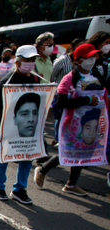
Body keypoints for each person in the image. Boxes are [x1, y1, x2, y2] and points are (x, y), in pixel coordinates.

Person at [34, 44, 105, 197]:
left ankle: (71, 184)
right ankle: (43, 169)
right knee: (69, 152)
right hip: (74, 123)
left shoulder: (97, 75)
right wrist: (86, 100)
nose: (92, 60)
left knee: (83, 153)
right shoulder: (69, 79)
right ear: (78, 60)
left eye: (94, 57)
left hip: (92, 121)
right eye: (88, 58)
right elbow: (61, 102)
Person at [0, 45, 41, 205]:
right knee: (3, 157)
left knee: (27, 157)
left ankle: (20, 189)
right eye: (27, 60)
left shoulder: (35, 79)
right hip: (8, 128)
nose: (30, 63)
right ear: (18, 61)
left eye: (33, 60)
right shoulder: (7, 80)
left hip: (28, 130)